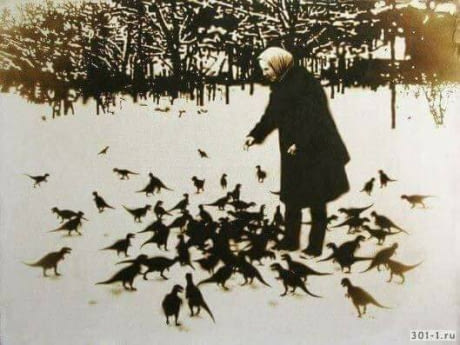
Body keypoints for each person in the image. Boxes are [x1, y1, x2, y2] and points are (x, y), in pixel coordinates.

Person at [244, 47, 350, 256]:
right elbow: (272, 115)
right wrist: (255, 134)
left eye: (266, 68)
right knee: (292, 195)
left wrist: (300, 143)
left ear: (278, 65)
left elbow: (315, 118)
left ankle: (315, 246)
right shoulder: (281, 86)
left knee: (316, 198)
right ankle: (291, 240)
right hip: (293, 150)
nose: (264, 73)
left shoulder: (305, 84)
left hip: (317, 150)